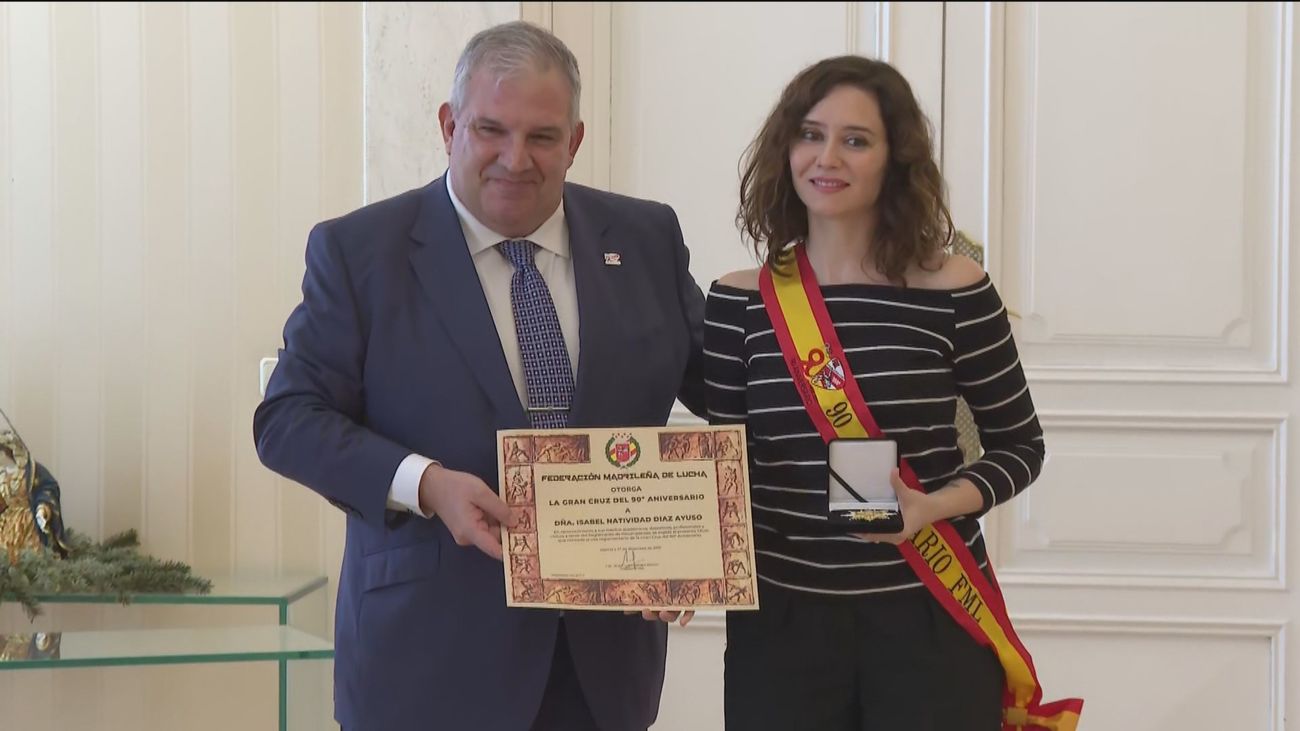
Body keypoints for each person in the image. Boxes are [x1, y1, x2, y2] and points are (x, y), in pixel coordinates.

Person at [254, 21, 704, 731]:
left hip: (601, 673)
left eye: (542, 137)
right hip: (425, 667)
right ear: (449, 125)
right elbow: (287, 420)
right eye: (491, 130)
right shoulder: (361, 251)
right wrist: (426, 484)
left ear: (575, 141)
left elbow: (727, 389)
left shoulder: (645, 238)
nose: (515, 159)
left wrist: (698, 535)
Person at [704, 56, 1047, 730]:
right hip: (782, 627)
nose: (827, 157)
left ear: (896, 159)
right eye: (810, 134)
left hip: (929, 611)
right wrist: (668, 563)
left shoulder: (955, 289)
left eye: (856, 140)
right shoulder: (737, 301)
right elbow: (725, 472)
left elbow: (1021, 447)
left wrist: (932, 506)